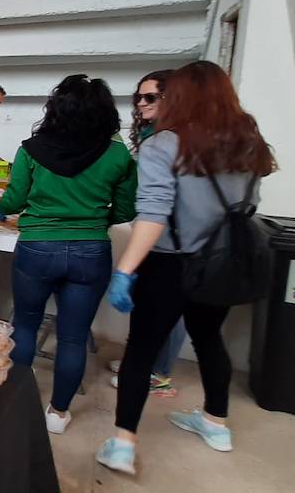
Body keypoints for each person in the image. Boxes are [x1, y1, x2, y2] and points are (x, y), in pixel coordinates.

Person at [96, 61, 275, 475]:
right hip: (221, 260)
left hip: (169, 263)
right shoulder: (249, 145)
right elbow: (248, 206)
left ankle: (123, 443)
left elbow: (154, 213)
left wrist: (125, 268)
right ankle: (216, 424)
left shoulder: (166, 144)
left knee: (141, 351)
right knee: (209, 339)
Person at [0, 75, 137, 435]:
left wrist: (2, 209)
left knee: (25, 325)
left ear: (56, 109)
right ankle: (57, 413)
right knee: (73, 336)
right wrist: (87, 219)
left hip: (37, 249)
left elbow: (13, 200)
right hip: (91, 252)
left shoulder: (31, 148)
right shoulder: (117, 154)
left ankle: (14, 405)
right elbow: (124, 211)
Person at [108, 69, 184, 397]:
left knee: (168, 309)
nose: (141, 103)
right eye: (139, 97)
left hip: (172, 233)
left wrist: (125, 268)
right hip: (154, 227)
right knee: (150, 306)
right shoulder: (154, 134)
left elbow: (162, 200)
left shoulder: (172, 138)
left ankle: (159, 372)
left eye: (150, 97)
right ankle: (142, 361)